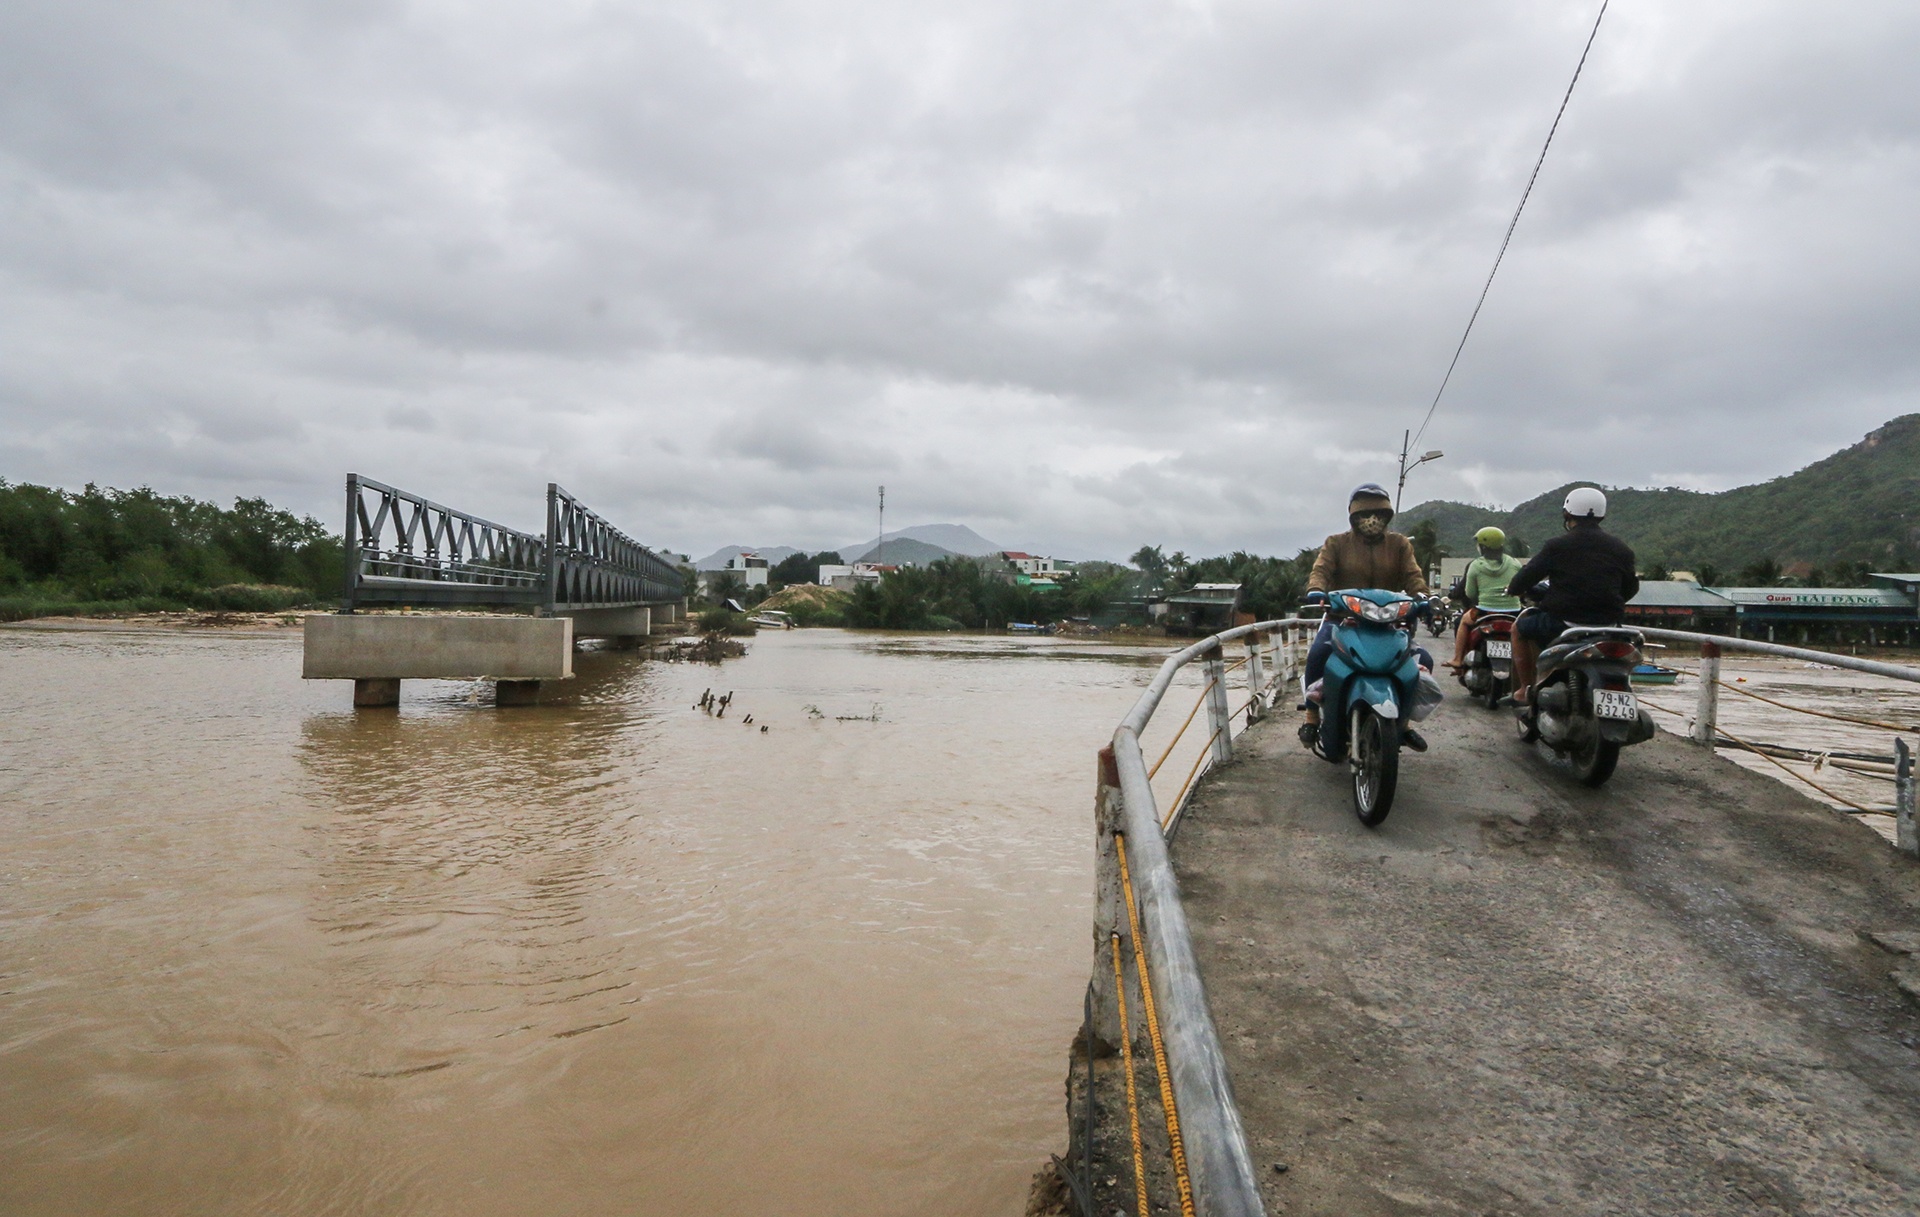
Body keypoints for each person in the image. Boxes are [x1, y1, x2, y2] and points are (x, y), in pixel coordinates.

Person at [1300, 483, 1431, 748]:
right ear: (1353, 517)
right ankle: (1311, 717)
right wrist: (1316, 589)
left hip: (1389, 622)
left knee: (1421, 660)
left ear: (1387, 516)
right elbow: (1321, 571)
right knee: (1317, 655)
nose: (1372, 520)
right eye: (1364, 515)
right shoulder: (1335, 543)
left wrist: (1424, 596)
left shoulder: (1399, 544)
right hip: (1342, 618)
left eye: (1379, 514)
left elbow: (1413, 575)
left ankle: (1403, 723)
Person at [1504, 487, 1639, 704]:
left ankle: (1524, 689)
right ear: (1601, 515)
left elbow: (1525, 578)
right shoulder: (1621, 549)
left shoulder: (1558, 545)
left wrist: (1514, 589)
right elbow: (1630, 588)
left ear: (1567, 513)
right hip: (1610, 625)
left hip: (1563, 623)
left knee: (1519, 629)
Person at [1446, 526, 1524, 669]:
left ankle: (1457, 659)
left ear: (1482, 546)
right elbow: (1521, 586)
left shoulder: (1475, 565)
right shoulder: (1515, 563)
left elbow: (1470, 593)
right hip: (1514, 611)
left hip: (1485, 611)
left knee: (1462, 622)